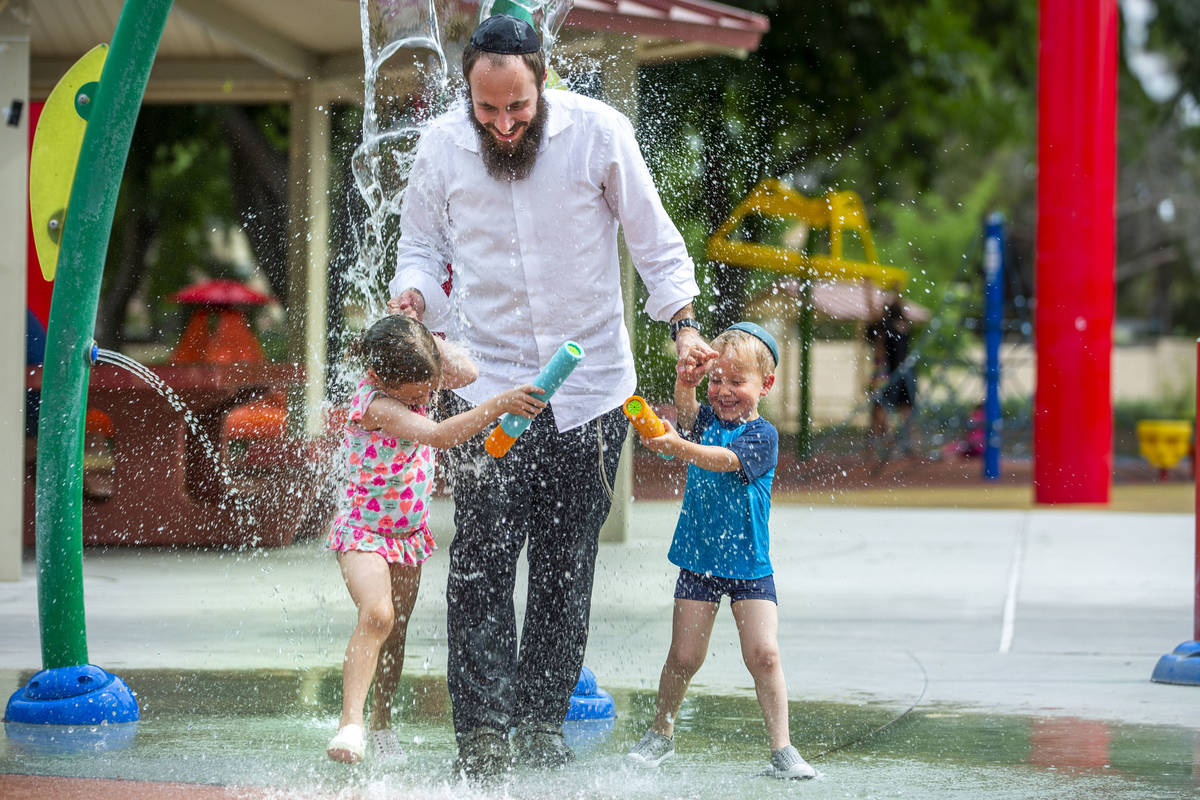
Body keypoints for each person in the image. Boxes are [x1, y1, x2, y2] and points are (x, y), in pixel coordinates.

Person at [387, 13, 717, 779]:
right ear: (466, 91)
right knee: (479, 567)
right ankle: (483, 742)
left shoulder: (599, 133)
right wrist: (411, 296)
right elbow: (420, 248)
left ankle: (539, 725)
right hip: (487, 392)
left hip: (592, 390)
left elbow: (653, 237)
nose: (504, 126)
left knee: (567, 567)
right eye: (487, 110)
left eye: (518, 108)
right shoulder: (440, 147)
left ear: (542, 79)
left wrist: (683, 327)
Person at [324, 314, 547, 764]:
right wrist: (501, 403)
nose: (427, 399)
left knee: (395, 631)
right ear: (382, 379)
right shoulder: (376, 405)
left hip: (406, 535)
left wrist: (419, 331)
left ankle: (382, 722)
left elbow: (468, 373)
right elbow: (442, 436)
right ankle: (350, 724)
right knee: (377, 615)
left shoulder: (414, 379)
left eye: (428, 390)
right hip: (363, 531)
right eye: (417, 395)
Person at [625, 322, 817, 781]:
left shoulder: (762, 436)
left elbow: (725, 461)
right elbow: (688, 412)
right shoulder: (706, 421)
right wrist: (685, 383)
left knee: (764, 655)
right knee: (684, 657)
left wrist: (677, 446)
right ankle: (661, 732)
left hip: (750, 564)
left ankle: (782, 749)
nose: (725, 391)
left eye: (737, 382)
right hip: (699, 560)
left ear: (765, 385)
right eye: (717, 380)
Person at [866, 300, 916, 448]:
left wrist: (867, 289)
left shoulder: (886, 326)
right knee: (906, 407)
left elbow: (873, 315)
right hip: (906, 373)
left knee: (881, 406)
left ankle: (878, 439)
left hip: (889, 373)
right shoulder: (905, 327)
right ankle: (910, 441)